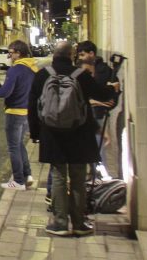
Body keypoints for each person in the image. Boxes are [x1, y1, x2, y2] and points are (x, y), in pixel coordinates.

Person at [28, 41, 106, 236]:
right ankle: (79, 223)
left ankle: (60, 223)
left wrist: (35, 133)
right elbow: (101, 94)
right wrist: (114, 88)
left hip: (52, 133)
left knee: (58, 176)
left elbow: (32, 106)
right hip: (79, 133)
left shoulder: (43, 75)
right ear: (72, 55)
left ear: (54, 55)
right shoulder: (81, 75)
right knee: (78, 177)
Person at [0, 40, 38, 190]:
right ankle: (27, 175)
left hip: (14, 113)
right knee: (19, 145)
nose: (9, 56)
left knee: (13, 147)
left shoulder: (15, 70)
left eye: (11, 53)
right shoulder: (33, 68)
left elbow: (6, 92)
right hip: (27, 113)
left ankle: (18, 181)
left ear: (19, 53)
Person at [75, 40, 121, 177]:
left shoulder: (104, 71)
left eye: (82, 54)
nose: (80, 57)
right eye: (79, 55)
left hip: (97, 114)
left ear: (91, 53)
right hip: (86, 114)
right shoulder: (82, 69)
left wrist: (101, 102)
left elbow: (109, 94)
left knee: (97, 147)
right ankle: (93, 173)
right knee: (88, 147)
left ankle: (98, 175)